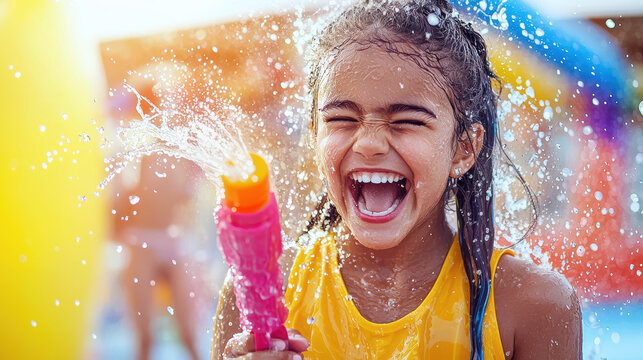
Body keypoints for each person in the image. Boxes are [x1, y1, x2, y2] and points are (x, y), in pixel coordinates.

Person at [212, 0, 582, 359]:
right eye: (342, 119)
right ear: (314, 136)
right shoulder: (264, 291)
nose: (369, 143)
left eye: (407, 120)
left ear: (464, 148)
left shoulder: (530, 306)